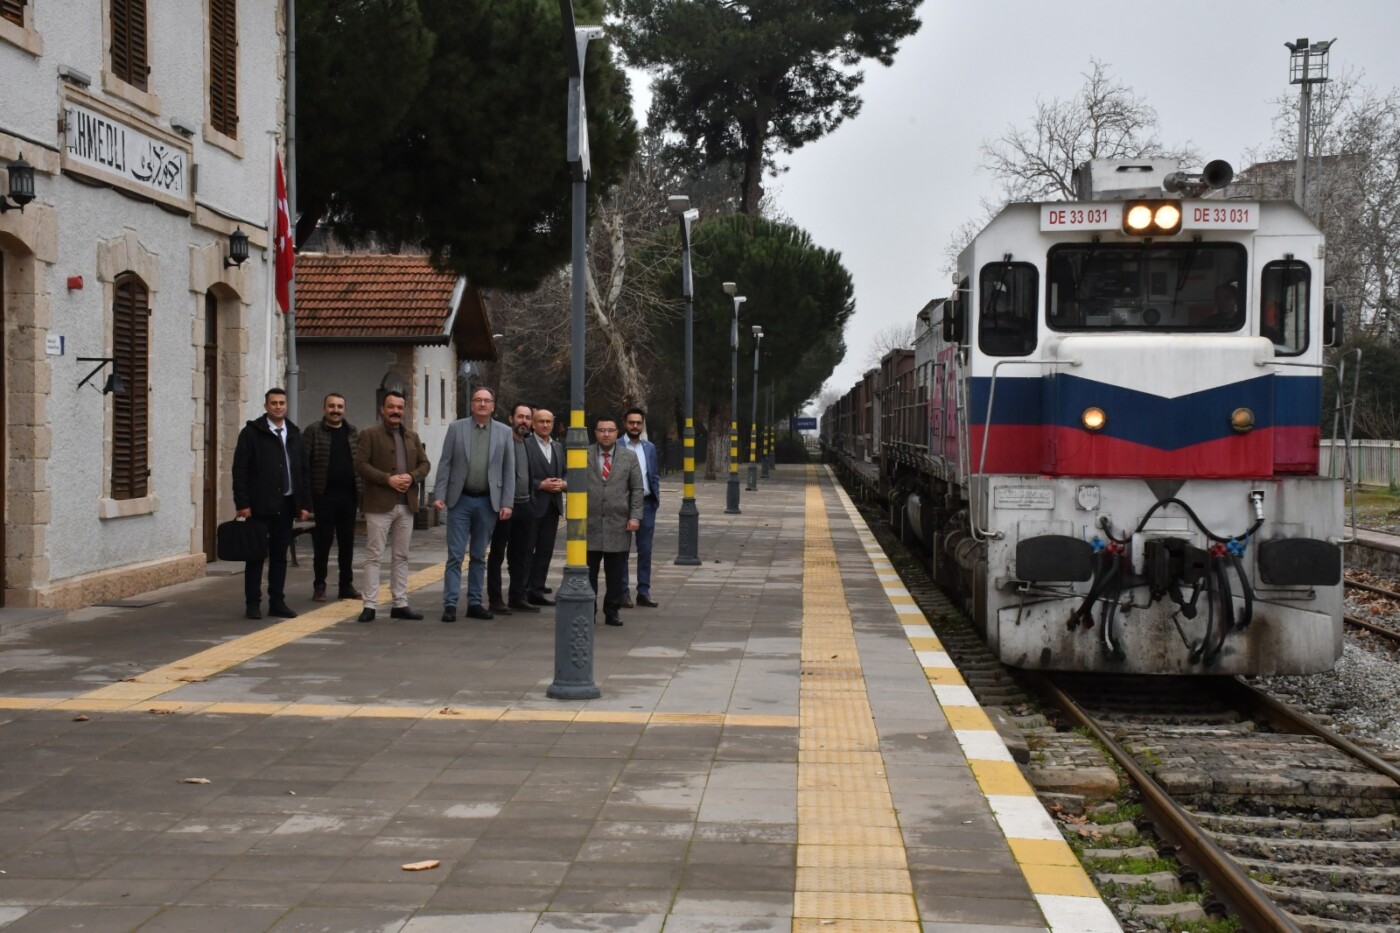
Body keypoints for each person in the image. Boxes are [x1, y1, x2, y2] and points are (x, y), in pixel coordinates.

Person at [433, 387, 515, 622]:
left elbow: (509, 469)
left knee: (479, 555)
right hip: (460, 501)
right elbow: (445, 463)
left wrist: (507, 502)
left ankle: (475, 603)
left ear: (492, 406)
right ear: (471, 405)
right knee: (455, 555)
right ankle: (450, 604)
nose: (482, 404)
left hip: (488, 503)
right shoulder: (456, 429)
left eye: (486, 401)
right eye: (477, 400)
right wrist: (439, 493)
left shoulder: (504, 432)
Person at [231, 387, 311, 620]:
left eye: (282, 403)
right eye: (274, 403)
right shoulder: (252, 433)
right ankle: (252, 603)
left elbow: (303, 472)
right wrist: (242, 502)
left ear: (286, 406)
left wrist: (304, 503)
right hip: (259, 505)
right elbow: (240, 470)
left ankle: (277, 601)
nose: (278, 407)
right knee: (256, 555)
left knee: (279, 556)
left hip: (286, 505)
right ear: (266, 406)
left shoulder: (294, 434)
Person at [354, 390, 431, 623]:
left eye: (399, 407)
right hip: (379, 504)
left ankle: (400, 602)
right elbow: (360, 465)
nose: (395, 411)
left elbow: (425, 463)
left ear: (404, 410)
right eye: (391, 407)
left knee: (402, 556)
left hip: (406, 505)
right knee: (374, 555)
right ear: (382, 409)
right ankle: (370, 605)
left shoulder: (412, 436)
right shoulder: (369, 434)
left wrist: (413, 476)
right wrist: (387, 478)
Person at [301, 392, 362, 602]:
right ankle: (319, 584)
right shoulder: (313, 431)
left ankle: (346, 585)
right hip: (323, 496)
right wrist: (306, 500)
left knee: (347, 543)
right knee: (323, 542)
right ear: (324, 408)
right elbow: (304, 466)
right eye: (331, 406)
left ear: (344, 410)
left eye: (339, 407)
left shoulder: (352, 432)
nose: (335, 410)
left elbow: (359, 463)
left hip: (349, 496)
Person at [586, 416, 643, 627]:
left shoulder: (629, 457)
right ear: (595, 433)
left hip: (618, 524)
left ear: (617, 432)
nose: (606, 434)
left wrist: (635, 516)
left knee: (615, 573)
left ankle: (612, 610)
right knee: (588, 572)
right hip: (589, 523)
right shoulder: (583, 455)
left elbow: (637, 489)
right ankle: (587, 609)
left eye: (610, 430)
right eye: (602, 430)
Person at [487, 403, 540, 614]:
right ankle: (495, 599)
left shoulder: (528, 444)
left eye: (528, 418)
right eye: (520, 417)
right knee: (497, 553)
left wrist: (532, 501)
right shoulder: (501, 441)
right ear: (511, 419)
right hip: (504, 506)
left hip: (525, 505)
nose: (524, 421)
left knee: (522, 554)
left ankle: (518, 596)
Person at [618, 406, 661, 608]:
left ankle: (643, 592)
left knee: (645, 551)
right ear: (624, 424)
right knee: (621, 551)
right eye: (631, 422)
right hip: (622, 505)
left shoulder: (649, 447)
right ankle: (622, 593)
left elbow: (653, 474)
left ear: (642, 424)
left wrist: (655, 498)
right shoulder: (617, 446)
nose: (635, 426)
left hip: (646, 504)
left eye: (638, 422)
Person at [525, 408, 566, 606]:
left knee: (545, 550)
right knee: (527, 549)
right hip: (532, 505)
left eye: (549, 421)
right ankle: (523, 589)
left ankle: (537, 589)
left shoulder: (558, 447)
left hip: (552, 507)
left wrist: (564, 484)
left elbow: (565, 472)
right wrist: (540, 485)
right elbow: (519, 475)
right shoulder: (526, 445)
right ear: (533, 423)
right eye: (541, 421)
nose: (545, 425)